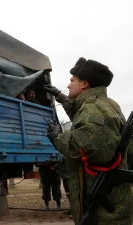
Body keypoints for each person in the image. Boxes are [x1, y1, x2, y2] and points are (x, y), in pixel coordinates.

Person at [44, 57, 133, 225]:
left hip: (104, 214)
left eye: (72, 81)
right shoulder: (102, 104)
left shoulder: (94, 110)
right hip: (109, 205)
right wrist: (59, 96)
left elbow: (83, 147)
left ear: (84, 84)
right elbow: (81, 117)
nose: (68, 85)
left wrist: (58, 137)